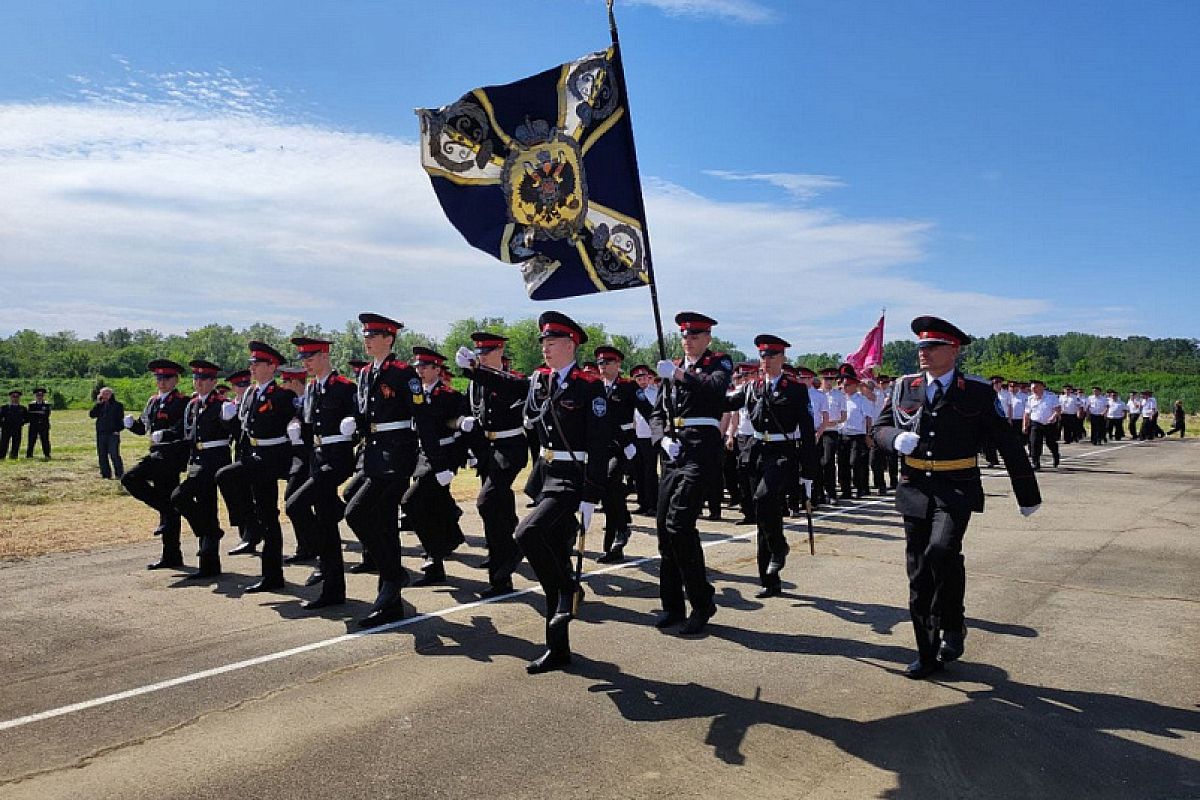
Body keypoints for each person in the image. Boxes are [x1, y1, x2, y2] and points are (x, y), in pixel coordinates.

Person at [872, 316, 1040, 680]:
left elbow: (1007, 442)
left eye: (932, 347)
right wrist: (892, 440)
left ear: (954, 350)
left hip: (957, 486)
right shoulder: (904, 387)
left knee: (941, 551)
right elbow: (879, 427)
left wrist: (1026, 492)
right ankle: (927, 652)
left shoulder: (977, 392)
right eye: (920, 347)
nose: (923, 353)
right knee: (918, 572)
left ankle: (952, 621)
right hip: (914, 486)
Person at [513, 311, 609, 674]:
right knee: (552, 552)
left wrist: (592, 494)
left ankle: (568, 590)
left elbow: (599, 444)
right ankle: (558, 648)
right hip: (546, 475)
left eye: (552, 343)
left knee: (527, 532)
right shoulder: (540, 381)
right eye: (543, 343)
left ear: (570, 345)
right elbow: (531, 419)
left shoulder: (589, 385)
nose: (545, 348)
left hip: (573, 478)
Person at [342, 313, 442, 628]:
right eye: (366, 334)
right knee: (384, 524)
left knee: (356, 513)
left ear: (389, 338)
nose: (367, 339)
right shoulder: (367, 373)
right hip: (373, 453)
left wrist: (438, 463)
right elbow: (368, 413)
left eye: (374, 335)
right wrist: (354, 425)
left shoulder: (403, 375)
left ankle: (393, 576)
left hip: (397, 456)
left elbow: (422, 418)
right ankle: (390, 597)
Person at [650, 311, 732, 636]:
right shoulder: (671, 368)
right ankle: (672, 606)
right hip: (674, 450)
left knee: (680, 524)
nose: (689, 339)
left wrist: (681, 375)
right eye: (685, 335)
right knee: (664, 530)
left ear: (708, 338)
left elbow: (715, 392)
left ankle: (702, 602)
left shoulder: (719, 363)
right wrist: (662, 438)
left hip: (701, 449)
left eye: (696, 334)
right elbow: (658, 413)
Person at [725, 335, 818, 598]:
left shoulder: (796, 389)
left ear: (782, 358)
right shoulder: (751, 387)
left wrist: (809, 472)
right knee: (764, 512)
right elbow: (726, 403)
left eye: (772, 355)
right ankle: (769, 578)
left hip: (783, 452)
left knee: (764, 498)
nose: (766, 360)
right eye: (763, 356)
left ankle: (780, 546)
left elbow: (808, 432)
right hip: (756, 452)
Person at [215, 342, 297, 593]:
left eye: (257, 363)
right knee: (268, 516)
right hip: (253, 454)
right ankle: (272, 575)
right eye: (251, 363)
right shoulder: (250, 394)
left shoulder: (283, 395)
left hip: (273, 457)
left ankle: (250, 527)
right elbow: (242, 430)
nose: (252, 367)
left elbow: (297, 421)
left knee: (225, 476)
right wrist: (227, 420)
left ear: (271, 367)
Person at [453, 332, 530, 598]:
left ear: (500, 353)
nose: (482, 356)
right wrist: (466, 429)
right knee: (499, 508)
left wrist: (476, 370)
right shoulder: (474, 383)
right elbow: (464, 411)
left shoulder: (514, 379)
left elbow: (511, 389)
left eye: (487, 352)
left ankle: (510, 549)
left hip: (510, 449)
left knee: (487, 501)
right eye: (479, 352)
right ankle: (500, 575)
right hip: (487, 450)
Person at [285, 337, 360, 609]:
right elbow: (309, 425)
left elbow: (360, 418)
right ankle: (333, 589)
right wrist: (295, 426)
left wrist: (353, 426)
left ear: (326, 356)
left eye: (311, 357)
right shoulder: (313, 388)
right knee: (327, 525)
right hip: (317, 458)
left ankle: (323, 562)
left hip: (337, 459)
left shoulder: (344, 387)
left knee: (295, 505)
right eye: (303, 358)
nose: (306, 362)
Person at [400, 347, 466, 587]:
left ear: (437, 369)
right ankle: (440, 554)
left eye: (425, 367)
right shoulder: (413, 394)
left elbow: (459, 430)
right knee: (434, 506)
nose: (420, 371)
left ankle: (434, 553)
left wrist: (459, 460)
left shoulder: (449, 395)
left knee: (412, 502)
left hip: (442, 456)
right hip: (421, 455)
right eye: (418, 367)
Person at [121, 360, 190, 570]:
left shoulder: (182, 401)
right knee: (167, 501)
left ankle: (168, 515)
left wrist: (167, 434)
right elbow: (145, 428)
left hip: (171, 457)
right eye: (158, 378)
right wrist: (132, 425)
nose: (161, 382)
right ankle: (171, 555)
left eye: (166, 378)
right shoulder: (152, 401)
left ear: (176, 379)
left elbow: (184, 429)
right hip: (157, 454)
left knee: (130, 478)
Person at [169, 360, 231, 579]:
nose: (199, 383)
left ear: (214, 382)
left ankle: (211, 535)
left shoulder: (221, 404)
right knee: (206, 509)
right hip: (196, 460)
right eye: (196, 378)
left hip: (214, 461)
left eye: (204, 379)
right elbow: (184, 432)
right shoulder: (193, 404)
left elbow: (233, 431)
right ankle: (209, 564)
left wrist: (229, 417)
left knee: (179, 496)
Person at [592, 345, 639, 563]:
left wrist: (664, 435)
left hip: (623, 446)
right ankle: (614, 543)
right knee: (607, 492)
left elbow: (649, 410)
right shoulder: (594, 387)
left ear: (618, 365)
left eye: (607, 362)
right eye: (600, 363)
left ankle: (621, 530)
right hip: (601, 446)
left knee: (611, 481)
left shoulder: (629, 387)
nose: (603, 367)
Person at [221, 370, 258, 556]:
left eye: (245, 384)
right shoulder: (233, 406)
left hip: (257, 456)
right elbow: (234, 436)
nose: (242, 388)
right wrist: (229, 421)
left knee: (256, 497)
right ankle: (246, 536)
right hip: (241, 455)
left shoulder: (254, 401)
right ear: (233, 388)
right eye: (238, 385)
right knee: (241, 495)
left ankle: (253, 534)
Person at [836, 365, 872, 499]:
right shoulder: (840, 399)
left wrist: (868, 435)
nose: (844, 387)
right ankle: (846, 490)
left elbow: (868, 418)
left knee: (855, 462)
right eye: (843, 384)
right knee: (843, 463)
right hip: (842, 434)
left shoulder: (862, 400)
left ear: (854, 385)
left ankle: (860, 487)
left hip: (857, 435)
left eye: (847, 385)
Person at [629, 364, 660, 516]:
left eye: (644, 377)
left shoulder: (655, 393)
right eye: (638, 378)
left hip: (650, 436)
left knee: (650, 472)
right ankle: (642, 503)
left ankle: (653, 504)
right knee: (638, 471)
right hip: (637, 436)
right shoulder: (632, 394)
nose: (642, 381)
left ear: (649, 378)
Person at [816, 368, 846, 505]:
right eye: (826, 379)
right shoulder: (816, 394)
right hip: (817, 431)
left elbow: (843, 416)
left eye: (832, 379)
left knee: (828, 461)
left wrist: (835, 421)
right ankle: (819, 492)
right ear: (822, 379)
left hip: (831, 431)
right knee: (817, 463)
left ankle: (831, 492)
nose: (829, 382)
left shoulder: (839, 395)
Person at [1023, 379, 1061, 470]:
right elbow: (1027, 413)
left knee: (1050, 442)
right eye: (1032, 388)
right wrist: (1025, 425)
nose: (1033, 390)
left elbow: (1058, 409)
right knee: (1034, 443)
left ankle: (1056, 455)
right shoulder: (1030, 398)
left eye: (1035, 387)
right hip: (1036, 423)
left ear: (1041, 387)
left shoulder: (1051, 397)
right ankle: (1036, 463)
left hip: (1049, 424)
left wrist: (1053, 416)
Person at [89, 387, 125, 479]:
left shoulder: (118, 405)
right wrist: (98, 404)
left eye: (106, 394)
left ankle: (119, 474)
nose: (103, 396)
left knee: (114, 454)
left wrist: (117, 430)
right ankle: (105, 474)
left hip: (113, 433)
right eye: (102, 394)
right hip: (101, 433)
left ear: (110, 395)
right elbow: (92, 415)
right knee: (102, 454)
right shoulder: (100, 405)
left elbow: (121, 420)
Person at [25, 388, 52, 459]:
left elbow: (46, 414)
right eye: (38, 395)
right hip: (33, 425)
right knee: (31, 441)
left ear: (43, 396)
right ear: (35, 396)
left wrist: (36, 413)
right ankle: (29, 455)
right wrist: (39, 413)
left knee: (45, 440)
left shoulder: (47, 405)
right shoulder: (31, 405)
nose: (39, 396)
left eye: (41, 395)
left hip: (44, 425)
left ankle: (47, 454)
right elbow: (29, 415)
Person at [0, 390, 27, 459]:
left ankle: (14, 456)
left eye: (17, 397)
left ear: (19, 398)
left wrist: (21, 423)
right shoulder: (4, 408)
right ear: (10, 397)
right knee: (3, 443)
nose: (15, 398)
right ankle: (1, 457)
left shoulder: (22, 408)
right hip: (6, 429)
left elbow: (27, 418)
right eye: (13, 396)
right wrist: (2, 424)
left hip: (17, 428)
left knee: (16, 443)